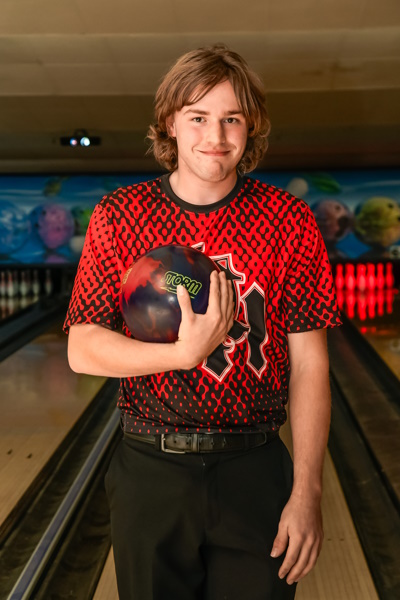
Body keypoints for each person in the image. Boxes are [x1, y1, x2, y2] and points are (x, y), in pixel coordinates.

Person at [64, 44, 342, 600]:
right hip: (150, 469)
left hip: (256, 469)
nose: (215, 135)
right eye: (198, 117)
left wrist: (307, 490)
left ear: (250, 127)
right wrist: (179, 354)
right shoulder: (120, 215)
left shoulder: (288, 220)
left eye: (231, 118)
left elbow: (311, 363)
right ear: (171, 122)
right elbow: (82, 347)